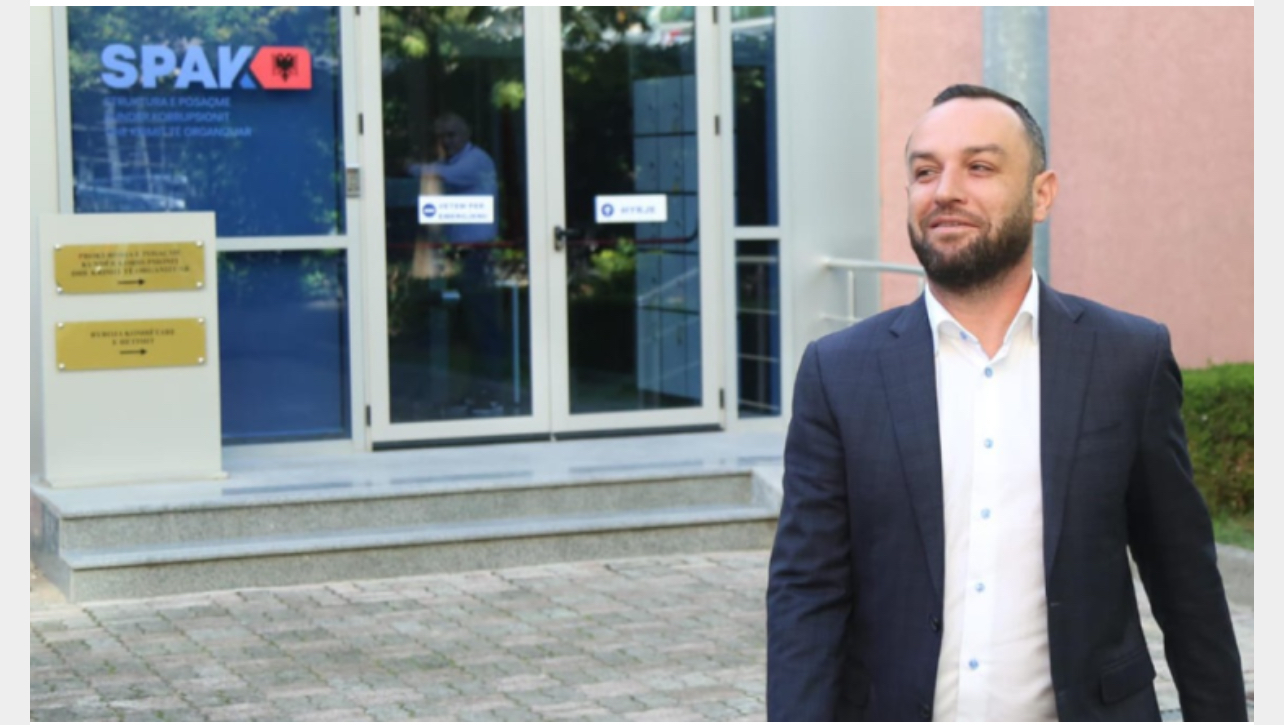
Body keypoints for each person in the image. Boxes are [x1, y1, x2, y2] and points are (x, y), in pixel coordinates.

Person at [765, 84, 1246, 722]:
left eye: (980, 167)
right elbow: (807, 592)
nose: (945, 191)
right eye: (925, 172)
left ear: (1041, 194)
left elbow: (1185, 578)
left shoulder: (1128, 358)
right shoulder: (839, 372)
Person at [409, 113, 506, 413]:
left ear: (467, 134)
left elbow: (446, 176)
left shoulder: (476, 161)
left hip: (478, 255)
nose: (447, 141)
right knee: (466, 330)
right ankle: (473, 393)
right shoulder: (451, 163)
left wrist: (410, 167)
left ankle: (491, 395)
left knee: (483, 328)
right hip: (459, 254)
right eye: (442, 136)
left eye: (452, 135)